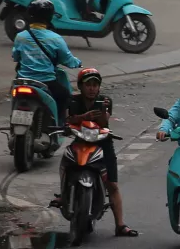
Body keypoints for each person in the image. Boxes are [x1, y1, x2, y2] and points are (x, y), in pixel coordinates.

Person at [51, 69, 139, 237]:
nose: (92, 89)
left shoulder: (105, 101)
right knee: (67, 163)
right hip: (80, 141)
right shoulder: (73, 100)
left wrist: (103, 111)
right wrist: (84, 116)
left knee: (112, 185)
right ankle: (64, 195)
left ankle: (120, 225)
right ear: (81, 86)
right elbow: (68, 120)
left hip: (103, 143)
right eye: (88, 85)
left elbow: (104, 122)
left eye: (95, 85)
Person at [12, 0, 82, 124]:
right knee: (64, 95)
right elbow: (68, 60)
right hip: (46, 82)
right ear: (49, 17)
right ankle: (59, 125)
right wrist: (77, 62)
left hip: (23, 80)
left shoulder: (20, 37)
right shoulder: (55, 38)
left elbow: (15, 57)